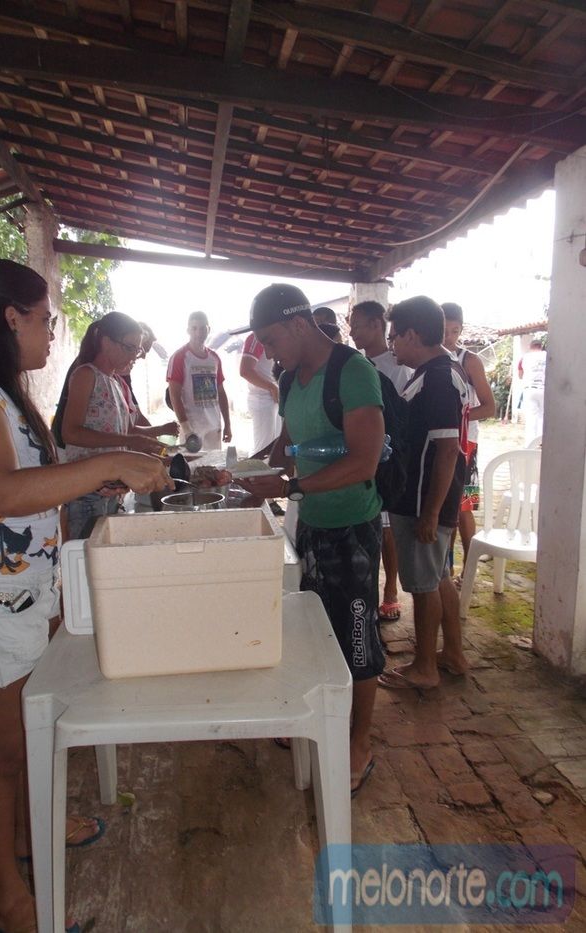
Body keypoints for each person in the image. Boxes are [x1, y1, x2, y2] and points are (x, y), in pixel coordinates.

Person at [0, 260, 171, 933]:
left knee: (27, 732)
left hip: (20, 595)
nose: (50, 332)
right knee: (0, 754)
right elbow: (2, 492)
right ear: (11, 318)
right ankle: (6, 899)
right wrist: (111, 462)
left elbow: (29, 484)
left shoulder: (2, 394)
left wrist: (85, 482)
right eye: (45, 319)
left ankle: (28, 834)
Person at [237, 284, 385, 797]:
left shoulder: (352, 371)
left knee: (360, 638)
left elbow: (364, 459)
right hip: (314, 526)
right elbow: (287, 447)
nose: (269, 352)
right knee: (317, 629)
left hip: (352, 528)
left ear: (299, 325)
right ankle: (316, 712)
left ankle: (359, 743)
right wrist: (242, 477)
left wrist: (291, 486)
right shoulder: (289, 376)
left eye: (272, 339)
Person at [379, 296, 469, 691]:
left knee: (423, 584)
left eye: (395, 335)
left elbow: (448, 449)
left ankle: (424, 668)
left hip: (422, 499)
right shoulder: (432, 371)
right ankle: (452, 654)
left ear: (413, 334)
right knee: (438, 576)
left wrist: (430, 513)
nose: (392, 343)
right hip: (422, 496)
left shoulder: (436, 379)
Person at [60, 313, 172, 539]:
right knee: (85, 560)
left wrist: (154, 447)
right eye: (129, 348)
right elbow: (70, 432)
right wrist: (130, 441)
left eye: (137, 350)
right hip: (86, 490)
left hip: (113, 490)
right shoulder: (86, 374)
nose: (134, 356)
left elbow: (125, 430)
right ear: (106, 342)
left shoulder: (117, 382)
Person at [349, 300, 413, 622]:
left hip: (390, 461)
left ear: (377, 325)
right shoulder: (356, 365)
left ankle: (391, 590)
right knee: (376, 527)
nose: (352, 332)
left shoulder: (397, 366)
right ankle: (372, 588)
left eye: (357, 325)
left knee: (389, 530)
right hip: (368, 458)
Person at [441, 302, 496, 581]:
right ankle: (446, 569)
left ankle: (469, 570)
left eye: (454, 331)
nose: (448, 338)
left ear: (460, 330)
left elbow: (489, 407)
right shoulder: (430, 360)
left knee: (463, 508)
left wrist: (456, 418)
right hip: (441, 445)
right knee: (444, 508)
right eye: (443, 331)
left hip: (466, 445)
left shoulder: (468, 360)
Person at [166, 310, 232, 450]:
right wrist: (186, 428)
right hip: (192, 429)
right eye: (194, 328)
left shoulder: (214, 358)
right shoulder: (179, 357)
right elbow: (174, 395)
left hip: (214, 427)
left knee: (213, 469)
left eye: (202, 328)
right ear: (188, 330)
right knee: (191, 468)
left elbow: (221, 392)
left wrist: (228, 424)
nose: (198, 333)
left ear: (208, 330)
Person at [239, 332, 281, 455]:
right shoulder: (256, 337)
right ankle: (258, 474)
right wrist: (271, 387)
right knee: (263, 449)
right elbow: (245, 371)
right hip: (262, 398)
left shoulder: (276, 334)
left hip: (274, 397)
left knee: (275, 446)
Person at [518, 338, 546, 446]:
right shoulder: (547, 355)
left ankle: (530, 444)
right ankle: (541, 442)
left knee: (531, 417)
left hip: (530, 389)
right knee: (542, 416)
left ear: (530, 347)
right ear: (541, 346)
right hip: (544, 388)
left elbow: (520, 375)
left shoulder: (525, 357)